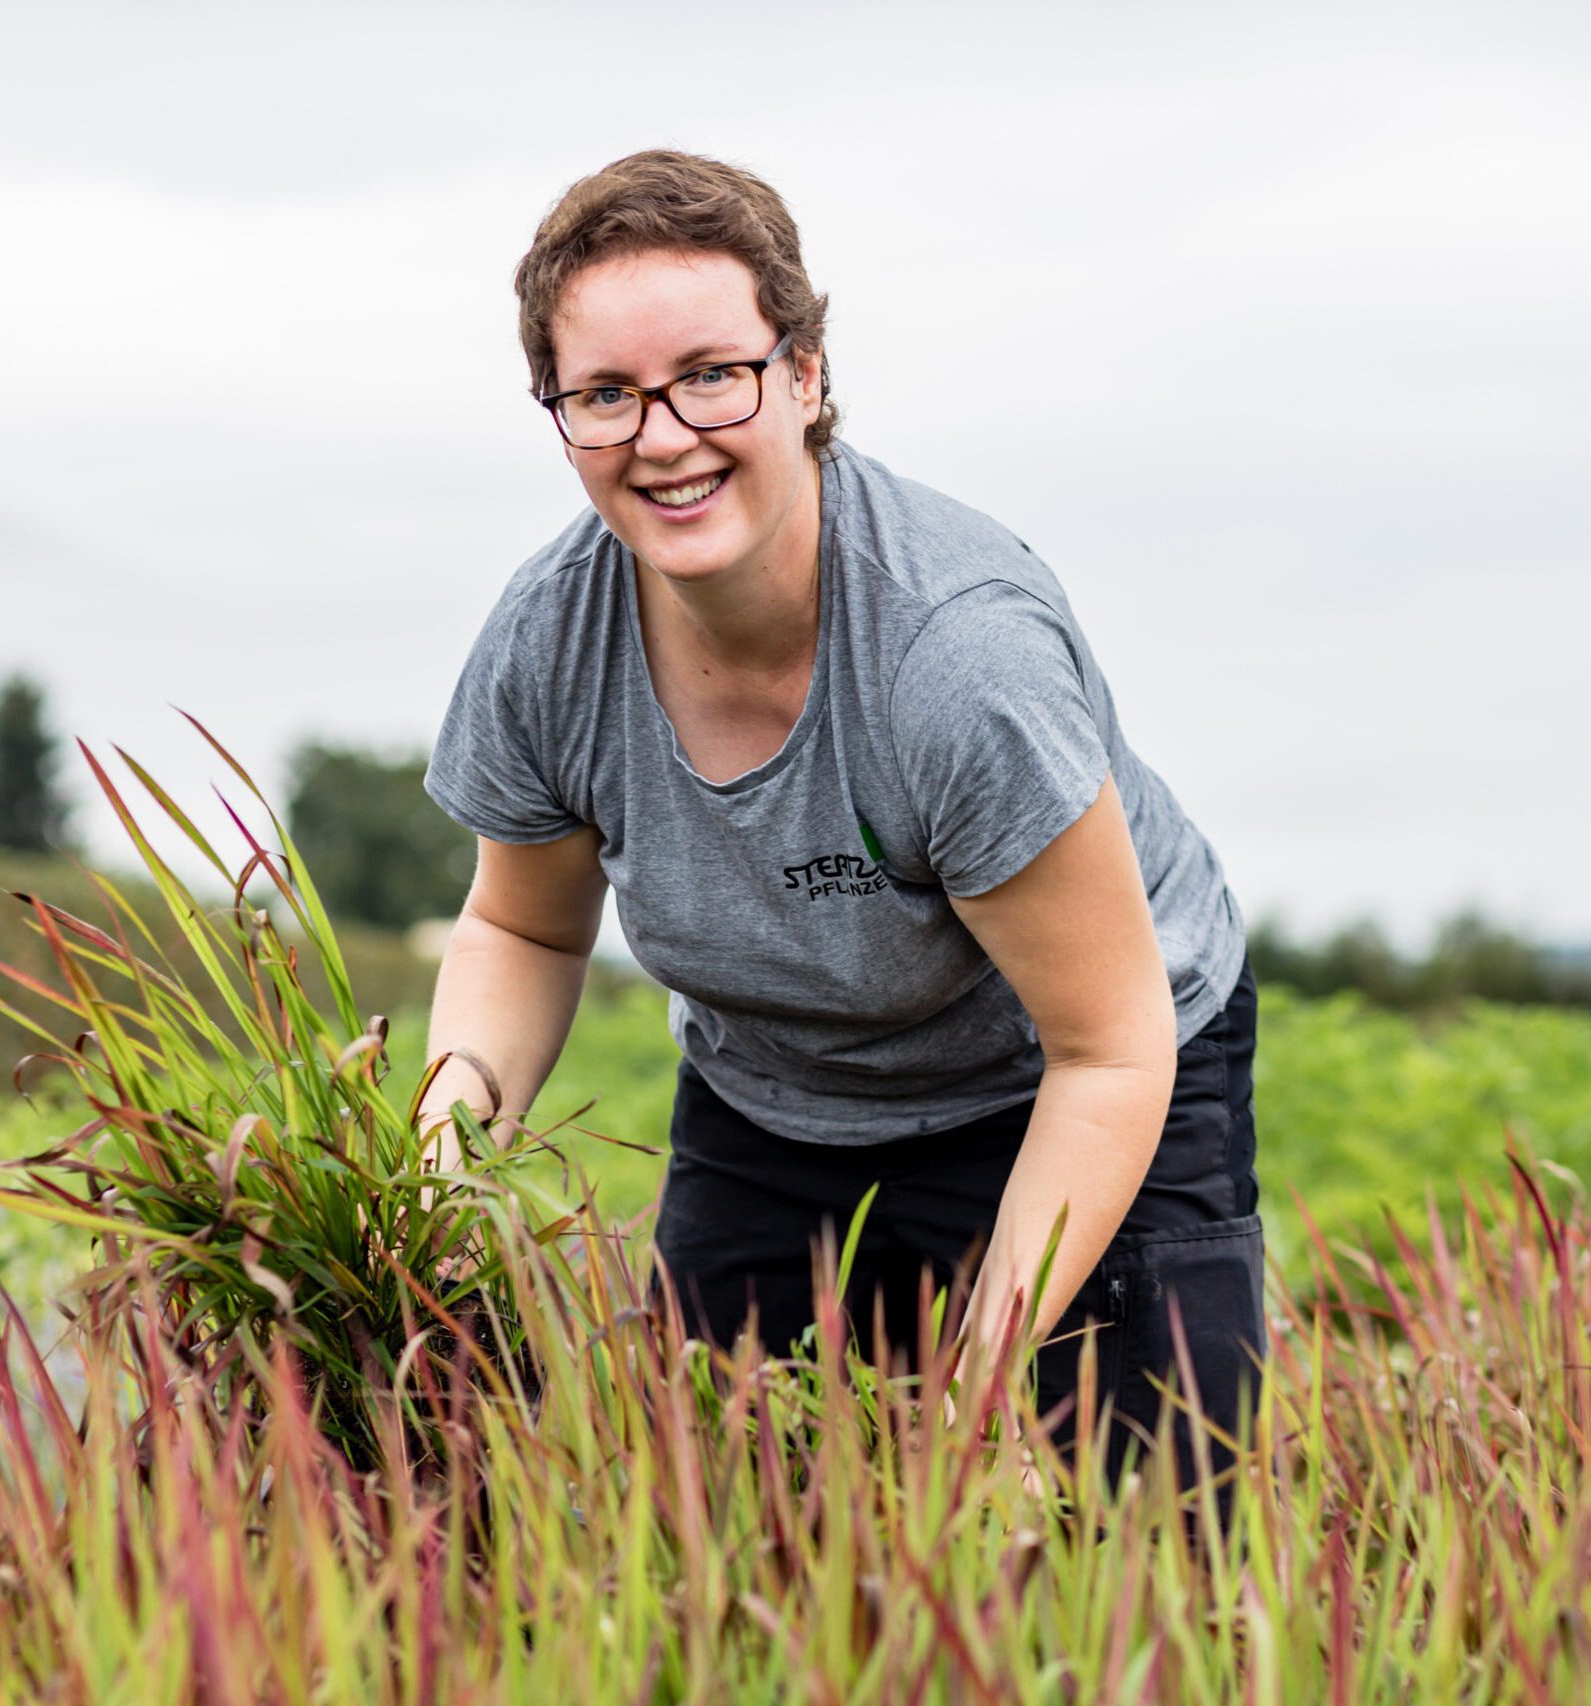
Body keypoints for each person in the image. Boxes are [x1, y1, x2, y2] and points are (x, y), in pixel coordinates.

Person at [419, 148, 1267, 1520]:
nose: (662, 431)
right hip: (778, 1094)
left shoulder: (952, 657)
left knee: (1138, 1543)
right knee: (720, 1534)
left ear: (802, 373)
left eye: (711, 372)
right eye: (603, 395)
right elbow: (521, 921)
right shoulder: (549, 641)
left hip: (1072, 1076)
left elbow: (1108, 1047)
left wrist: (974, 1390)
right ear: (559, 413)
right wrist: (437, 1161)